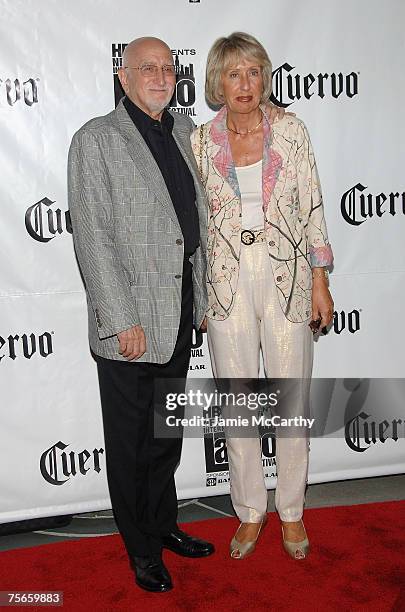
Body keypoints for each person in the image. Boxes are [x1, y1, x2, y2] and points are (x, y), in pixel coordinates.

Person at [68, 37, 214, 593]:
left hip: (176, 314)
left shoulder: (182, 133)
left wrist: (199, 301)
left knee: (165, 435)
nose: (160, 75)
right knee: (130, 444)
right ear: (123, 78)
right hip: (130, 324)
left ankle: (164, 524)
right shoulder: (96, 140)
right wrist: (120, 317)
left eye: (168, 68)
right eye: (146, 68)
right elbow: (94, 238)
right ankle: (141, 549)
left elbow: (192, 226)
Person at [191, 32, 334, 560]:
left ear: (264, 77)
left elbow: (315, 206)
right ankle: (250, 510)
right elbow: (196, 220)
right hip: (226, 281)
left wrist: (321, 278)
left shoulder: (292, 131)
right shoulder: (200, 142)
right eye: (233, 74)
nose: (244, 84)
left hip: (289, 278)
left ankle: (292, 512)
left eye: (253, 72)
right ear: (218, 83)